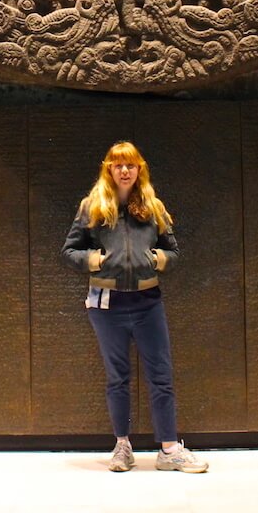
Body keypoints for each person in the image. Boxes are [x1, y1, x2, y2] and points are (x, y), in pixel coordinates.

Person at [61, 140, 209, 473]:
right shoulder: (92, 207)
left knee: (161, 376)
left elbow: (173, 251)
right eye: (118, 165)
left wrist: (157, 259)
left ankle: (169, 449)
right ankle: (122, 446)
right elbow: (69, 251)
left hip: (147, 302)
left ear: (139, 169)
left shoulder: (153, 207)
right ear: (108, 169)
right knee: (118, 378)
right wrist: (94, 259)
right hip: (106, 304)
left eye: (130, 165)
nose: (124, 171)